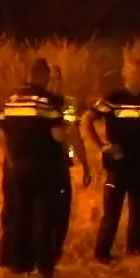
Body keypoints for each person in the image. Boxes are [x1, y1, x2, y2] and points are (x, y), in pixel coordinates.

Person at [0, 58, 69, 278]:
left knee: (19, 214)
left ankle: (18, 265)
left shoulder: (11, 99)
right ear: (44, 76)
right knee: (43, 216)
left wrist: (9, 156)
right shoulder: (47, 102)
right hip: (43, 166)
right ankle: (44, 267)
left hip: (16, 166)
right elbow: (59, 134)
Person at [85, 57, 140, 263]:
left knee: (139, 213)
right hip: (119, 165)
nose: (136, 77)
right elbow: (87, 120)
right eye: (132, 73)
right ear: (125, 76)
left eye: (139, 73)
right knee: (112, 214)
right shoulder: (114, 97)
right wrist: (102, 146)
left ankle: (134, 253)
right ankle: (102, 254)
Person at [46, 65, 92, 261]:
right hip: (42, 164)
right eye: (52, 78)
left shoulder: (69, 104)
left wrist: (86, 165)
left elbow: (75, 135)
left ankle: (55, 252)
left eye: (59, 78)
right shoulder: (40, 103)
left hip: (62, 165)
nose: (56, 82)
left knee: (63, 211)